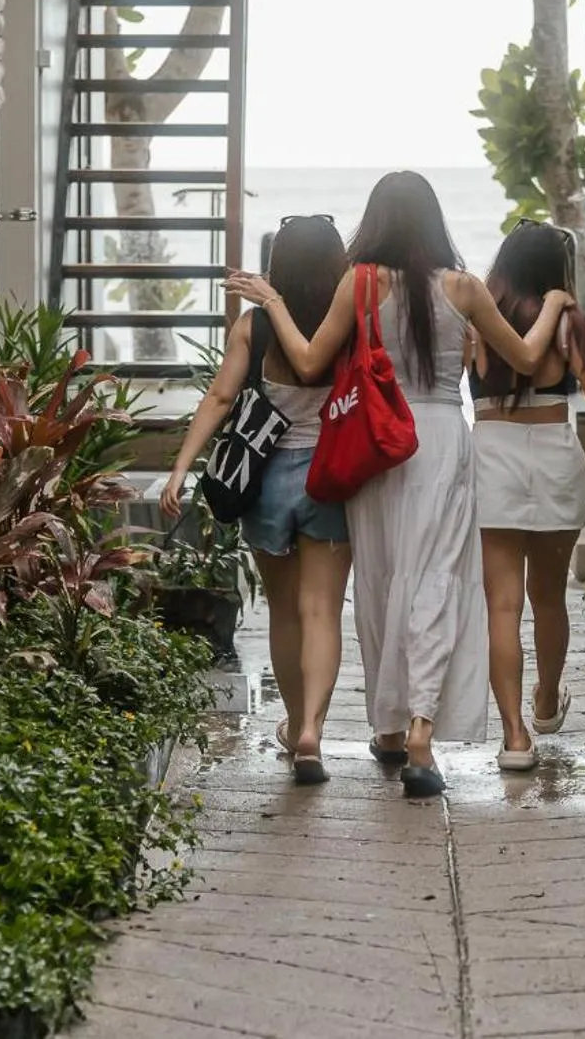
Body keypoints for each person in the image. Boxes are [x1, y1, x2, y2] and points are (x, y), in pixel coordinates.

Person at [226, 171, 571, 799]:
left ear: (376, 222)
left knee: (382, 585)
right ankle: (417, 732)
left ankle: (388, 730)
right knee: (436, 582)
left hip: (377, 447)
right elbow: (524, 359)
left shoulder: (358, 284)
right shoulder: (464, 288)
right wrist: (551, 304)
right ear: (435, 222)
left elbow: (306, 363)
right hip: (441, 444)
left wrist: (272, 303)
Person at [161, 215, 352, 785]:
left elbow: (221, 398)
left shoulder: (256, 326)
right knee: (322, 610)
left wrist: (180, 469)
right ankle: (315, 729)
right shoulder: (349, 324)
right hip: (331, 478)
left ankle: (294, 724)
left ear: (279, 267)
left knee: (284, 610)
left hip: (265, 480)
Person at [468, 219, 585, 773]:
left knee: (501, 604)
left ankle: (514, 737)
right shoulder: (569, 321)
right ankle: (547, 700)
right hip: (553, 454)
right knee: (548, 597)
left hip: (492, 456)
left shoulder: (480, 314)